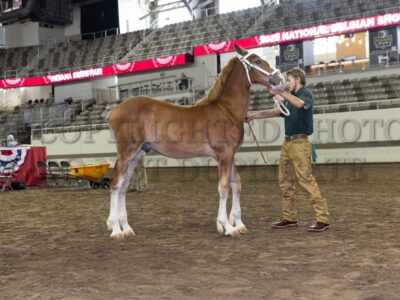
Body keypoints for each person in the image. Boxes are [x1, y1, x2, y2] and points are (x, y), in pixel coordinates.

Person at [245, 68, 330, 232]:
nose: (287, 82)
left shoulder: (305, 94)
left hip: (299, 143)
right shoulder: (291, 97)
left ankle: (322, 219)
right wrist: (254, 115)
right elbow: (276, 111)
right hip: (288, 143)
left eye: (289, 79)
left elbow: (300, 104)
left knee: (306, 180)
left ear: (297, 79)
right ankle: (289, 217)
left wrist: (280, 92)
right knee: (285, 181)